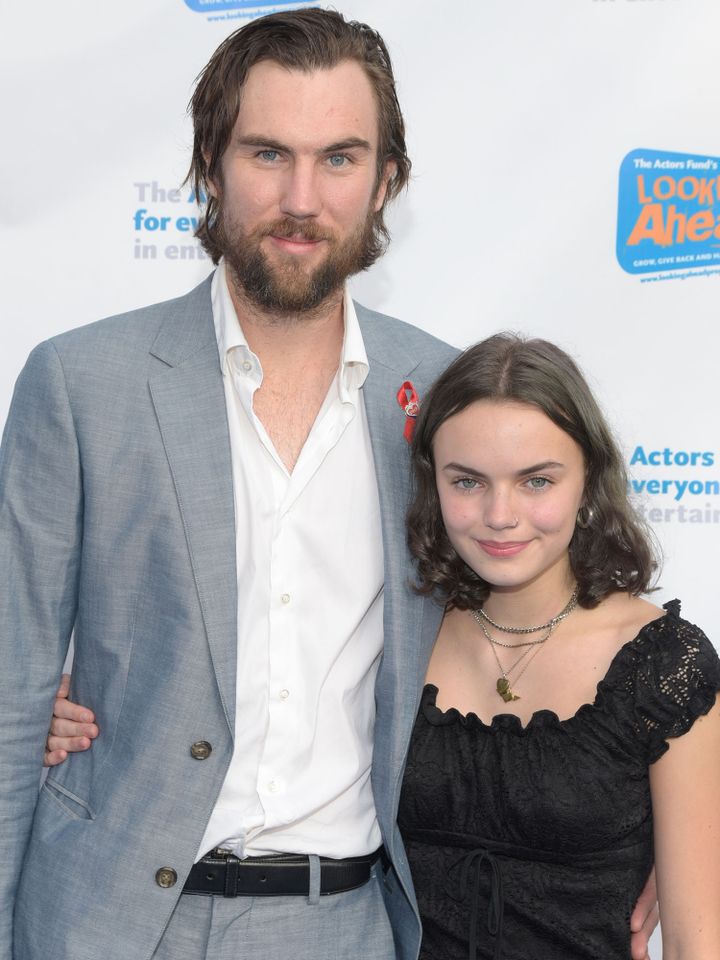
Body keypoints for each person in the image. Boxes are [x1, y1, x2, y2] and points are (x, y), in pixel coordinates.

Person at [17, 10, 657, 960]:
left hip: (347, 927)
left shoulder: (442, 402)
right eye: (268, 153)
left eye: (341, 159)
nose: (302, 197)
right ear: (210, 163)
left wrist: (635, 823)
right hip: (102, 921)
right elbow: (11, 683)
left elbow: (536, 623)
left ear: (386, 179)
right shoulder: (82, 383)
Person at [399, 333, 720, 959]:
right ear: (432, 483)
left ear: (588, 479)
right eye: (467, 482)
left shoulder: (663, 663)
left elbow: (694, 938)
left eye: (536, 481)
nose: (500, 514)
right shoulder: (395, 635)